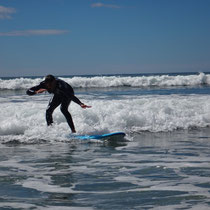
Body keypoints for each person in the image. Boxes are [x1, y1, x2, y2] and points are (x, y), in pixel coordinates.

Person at [26, 75, 91, 133]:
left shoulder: (61, 86)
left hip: (68, 93)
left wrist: (80, 103)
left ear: (54, 82)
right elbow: (28, 91)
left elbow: (70, 96)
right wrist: (36, 92)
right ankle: (50, 130)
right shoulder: (43, 84)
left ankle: (73, 131)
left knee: (63, 109)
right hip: (57, 94)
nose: (49, 87)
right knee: (48, 111)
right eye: (47, 85)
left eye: (51, 85)